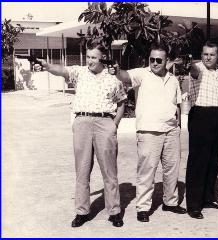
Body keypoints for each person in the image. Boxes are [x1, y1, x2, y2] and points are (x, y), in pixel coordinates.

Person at [34, 42, 127, 227]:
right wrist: (47, 66)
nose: (90, 60)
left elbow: (122, 101)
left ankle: (114, 211)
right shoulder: (79, 72)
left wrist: (113, 125)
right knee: (82, 170)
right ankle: (82, 212)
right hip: (82, 123)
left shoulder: (113, 77)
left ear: (102, 58)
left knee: (109, 171)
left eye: (94, 57)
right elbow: (61, 70)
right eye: (88, 56)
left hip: (104, 123)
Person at [111, 42, 186, 222]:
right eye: (151, 59)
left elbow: (177, 105)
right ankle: (143, 207)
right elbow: (125, 76)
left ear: (166, 60)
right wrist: (117, 70)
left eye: (158, 60)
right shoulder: (142, 74)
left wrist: (178, 126)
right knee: (146, 171)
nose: (154, 63)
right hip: (148, 132)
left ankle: (170, 202)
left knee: (171, 170)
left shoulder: (173, 79)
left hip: (171, 130)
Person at [185, 41, 218, 219]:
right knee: (198, 161)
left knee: (214, 160)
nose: (208, 57)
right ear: (201, 55)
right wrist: (188, 63)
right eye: (205, 54)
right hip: (201, 116)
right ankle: (194, 205)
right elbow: (193, 70)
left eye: (212, 54)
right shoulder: (197, 69)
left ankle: (209, 198)